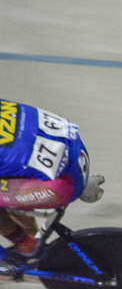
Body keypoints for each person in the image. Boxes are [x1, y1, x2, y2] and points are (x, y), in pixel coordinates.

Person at [0, 99, 104, 261]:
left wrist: (3, 256)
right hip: (76, 149)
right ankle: (29, 235)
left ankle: (26, 245)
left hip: (61, 185)